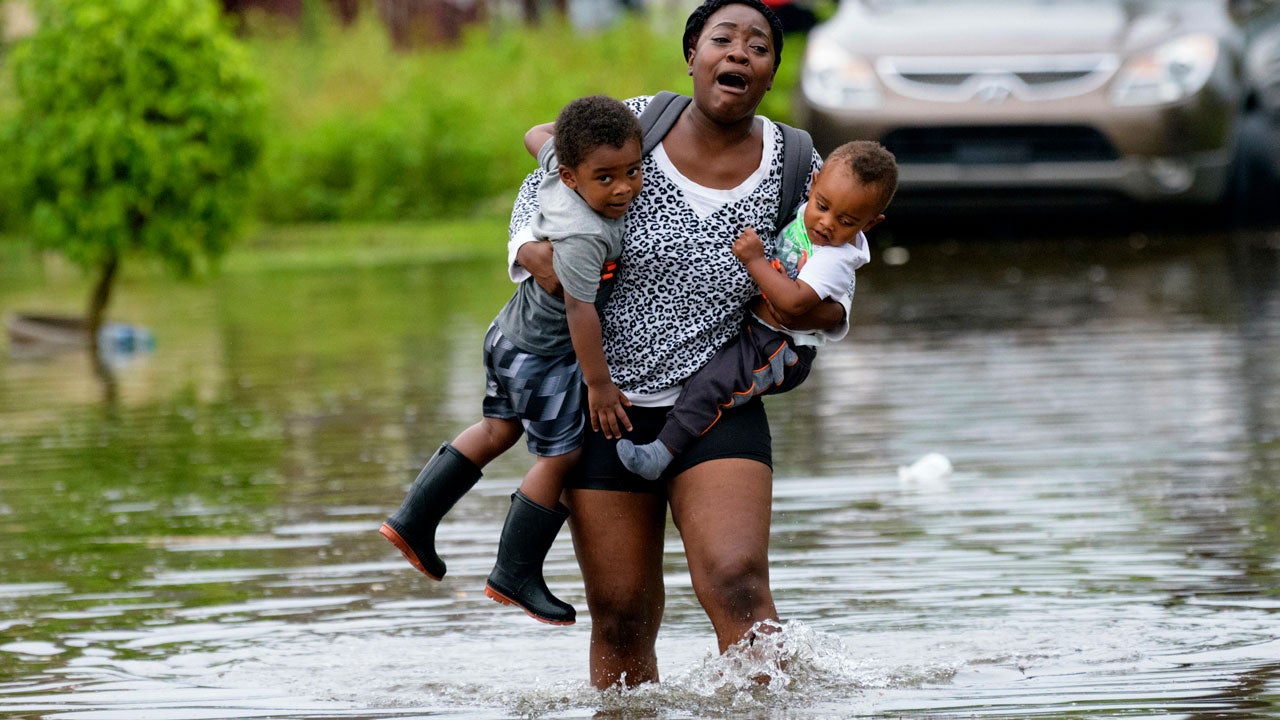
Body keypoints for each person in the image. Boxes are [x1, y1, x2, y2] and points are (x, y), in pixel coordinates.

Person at [508, 0, 854, 688]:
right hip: (604, 399)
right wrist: (532, 252)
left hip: (719, 397)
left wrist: (817, 305)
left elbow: (834, 241)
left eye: (758, 46)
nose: (739, 53)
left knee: (736, 582)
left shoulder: (796, 158)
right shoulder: (633, 122)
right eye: (722, 39)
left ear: (769, 73)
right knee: (621, 612)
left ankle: (775, 704)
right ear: (692, 55)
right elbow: (539, 191)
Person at [379, 94, 642, 626]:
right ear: (571, 178)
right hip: (545, 355)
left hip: (506, 337)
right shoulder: (585, 234)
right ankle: (514, 572)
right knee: (561, 456)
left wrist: (567, 140)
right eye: (605, 178)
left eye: (633, 172)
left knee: (498, 429)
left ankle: (413, 519)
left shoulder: (555, 167)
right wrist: (598, 385)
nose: (623, 189)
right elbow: (579, 310)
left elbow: (534, 133)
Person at [617, 140, 897, 480]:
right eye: (822, 205)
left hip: (779, 349)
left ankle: (660, 454)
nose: (826, 223)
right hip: (758, 331)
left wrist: (754, 261)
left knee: (713, 384)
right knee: (706, 374)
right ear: (813, 182)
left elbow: (793, 303)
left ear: (869, 224)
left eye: (847, 221)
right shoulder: (804, 214)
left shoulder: (835, 258)